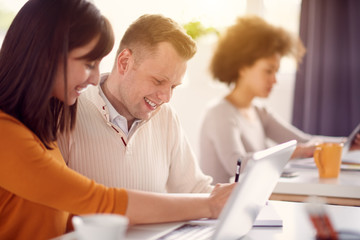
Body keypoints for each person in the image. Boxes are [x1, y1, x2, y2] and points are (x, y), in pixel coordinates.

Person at [0, 1, 235, 239]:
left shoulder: (37, 127)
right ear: (47, 56)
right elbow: (97, 202)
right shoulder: (7, 135)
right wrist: (209, 205)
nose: (94, 78)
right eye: (89, 64)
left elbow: (65, 213)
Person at [57, 14, 215, 193]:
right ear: (125, 63)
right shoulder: (67, 112)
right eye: (158, 81)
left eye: (174, 87)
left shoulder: (166, 117)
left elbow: (195, 189)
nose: (166, 97)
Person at [198, 16, 360, 184]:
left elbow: (304, 141)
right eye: (268, 71)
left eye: (276, 72)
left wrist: (346, 144)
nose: (274, 80)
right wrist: (295, 152)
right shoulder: (220, 113)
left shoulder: (259, 112)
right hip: (221, 208)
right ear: (243, 67)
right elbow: (237, 165)